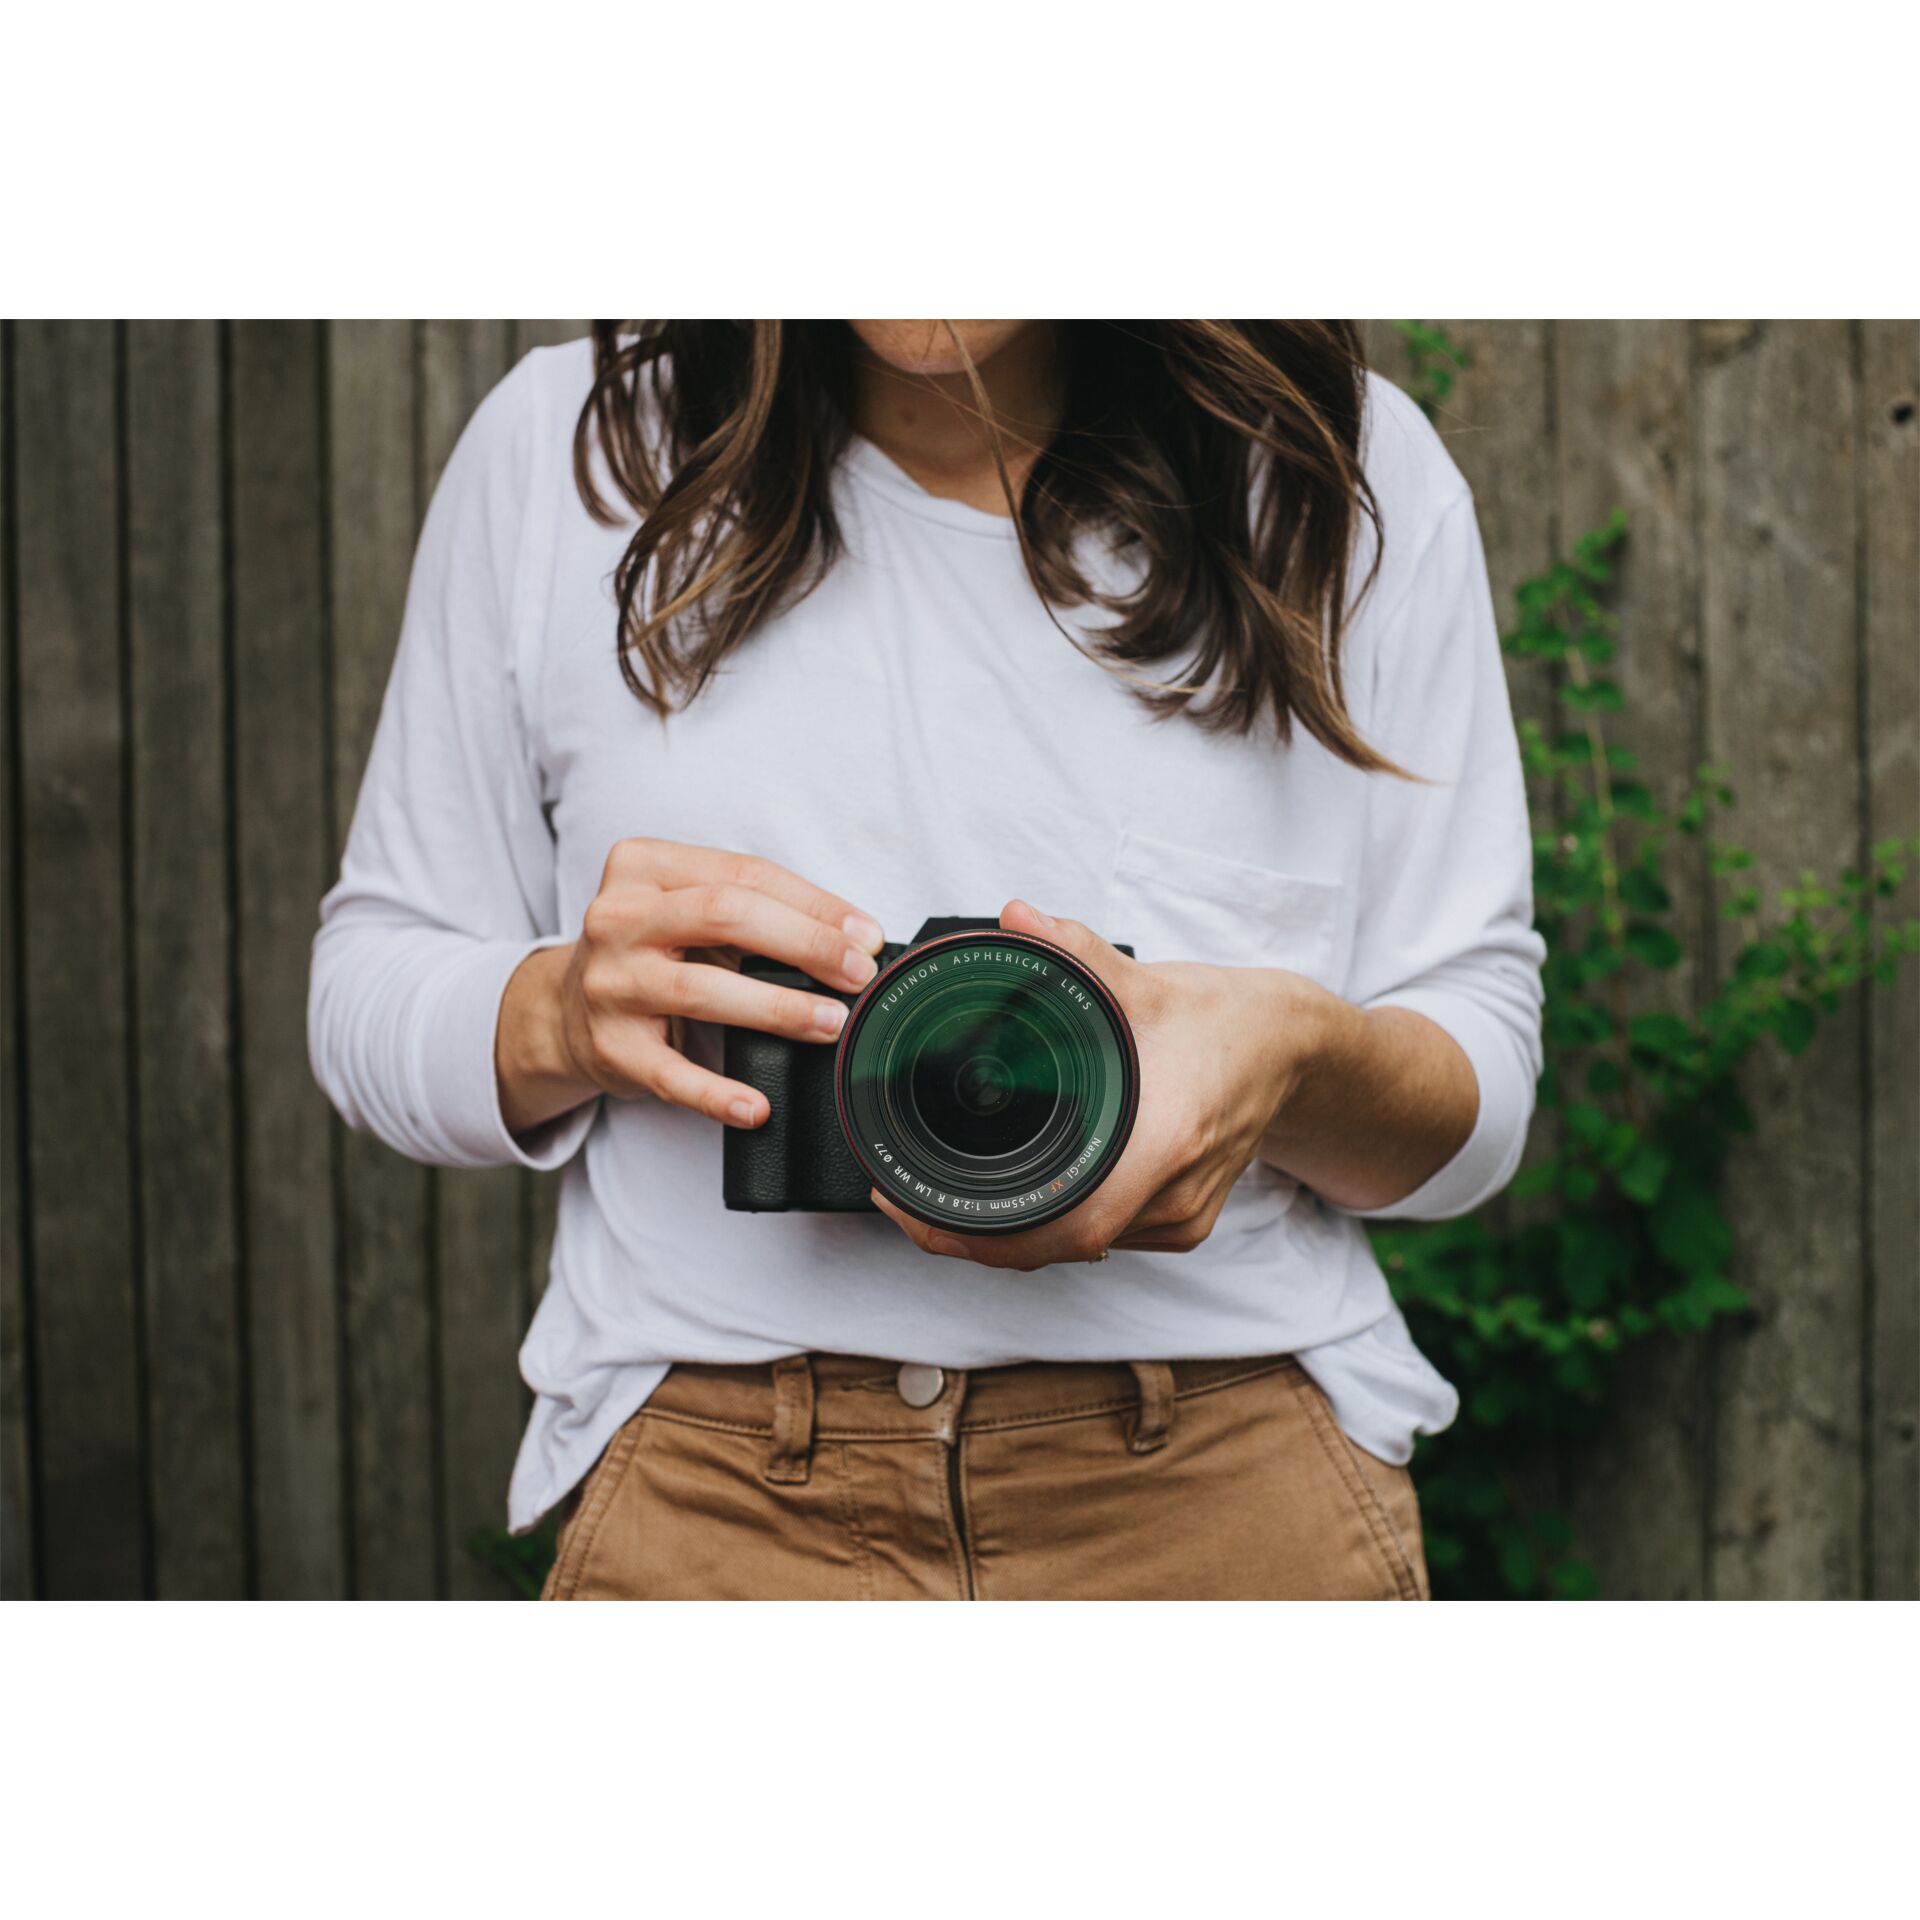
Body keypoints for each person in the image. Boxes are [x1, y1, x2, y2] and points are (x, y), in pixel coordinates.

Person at [309, 320, 1544, 1600]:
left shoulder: (1338, 469)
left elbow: (1477, 1088)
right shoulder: (573, 451)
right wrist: (558, 1015)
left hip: (1222, 1479)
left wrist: (1292, 1057)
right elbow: (368, 987)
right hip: (714, 1489)